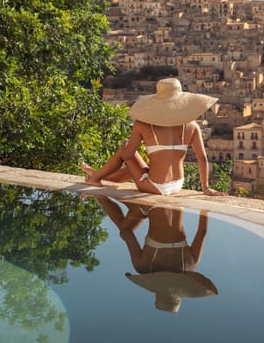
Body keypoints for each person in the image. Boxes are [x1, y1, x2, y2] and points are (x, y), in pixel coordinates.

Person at [82, 78, 226, 196]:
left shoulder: (143, 124)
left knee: (126, 149)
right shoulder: (192, 125)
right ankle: (96, 174)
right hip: (177, 184)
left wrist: (123, 146)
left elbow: (127, 156)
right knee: (138, 169)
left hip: (156, 186)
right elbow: (202, 158)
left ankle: (95, 178)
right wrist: (205, 188)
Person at [90, 195, 218, 313]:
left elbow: (202, 231)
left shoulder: (191, 263)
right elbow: (127, 233)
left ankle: (107, 192)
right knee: (123, 226)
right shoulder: (144, 266)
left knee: (139, 214)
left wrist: (205, 209)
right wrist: (126, 236)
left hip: (177, 203)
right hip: (150, 204)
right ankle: (99, 194)